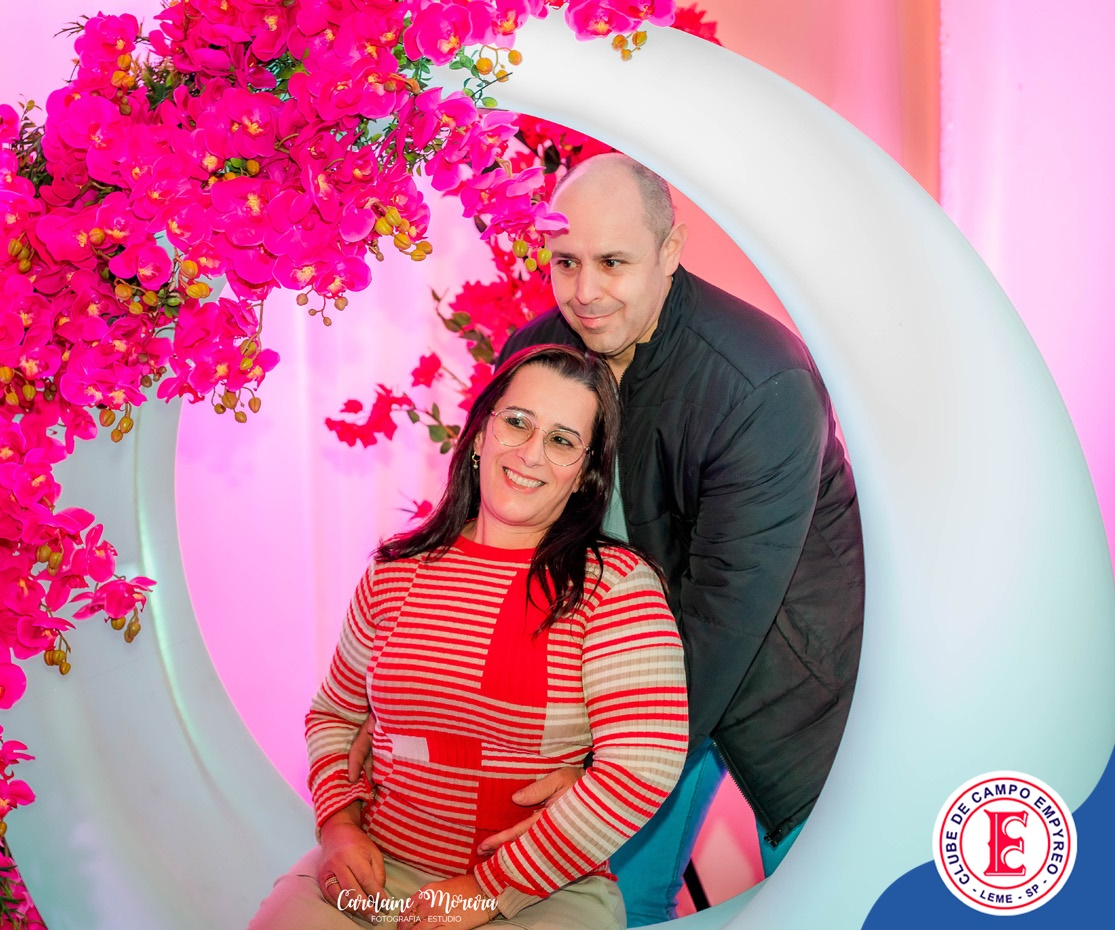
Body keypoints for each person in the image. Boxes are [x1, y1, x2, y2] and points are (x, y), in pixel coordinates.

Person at [484, 153, 866, 923]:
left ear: (670, 250)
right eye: (565, 262)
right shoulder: (539, 357)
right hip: (634, 681)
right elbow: (499, 542)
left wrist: (608, 772)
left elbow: (727, 608)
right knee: (613, 907)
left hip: (782, 678)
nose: (584, 292)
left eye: (613, 262)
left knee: (817, 904)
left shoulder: (758, 377)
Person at [248, 345, 689, 929]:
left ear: (585, 474)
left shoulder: (615, 586)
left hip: (538, 893)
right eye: (517, 422)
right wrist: (338, 827)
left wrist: (485, 890)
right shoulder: (395, 572)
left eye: (562, 440)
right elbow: (334, 715)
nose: (531, 452)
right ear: (480, 433)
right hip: (379, 872)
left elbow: (643, 764)